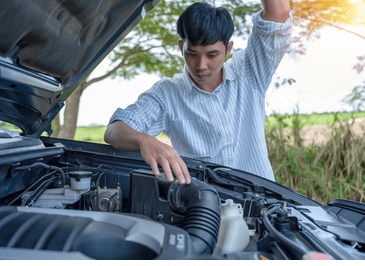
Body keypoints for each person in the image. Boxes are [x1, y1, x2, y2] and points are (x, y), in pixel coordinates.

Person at [104, 0, 292, 185]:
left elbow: (278, 14)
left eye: (212, 55)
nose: (201, 66)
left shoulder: (250, 71)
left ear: (228, 49)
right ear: (181, 48)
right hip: (204, 210)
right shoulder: (167, 94)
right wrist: (143, 140)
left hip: (262, 206)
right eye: (192, 54)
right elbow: (113, 131)